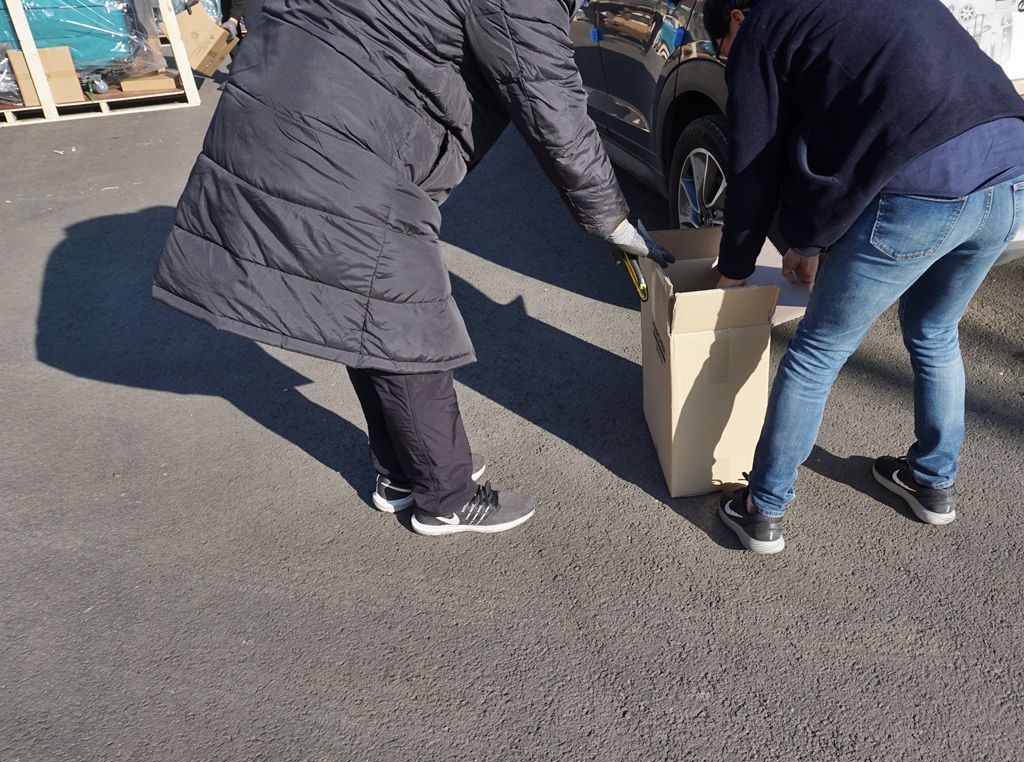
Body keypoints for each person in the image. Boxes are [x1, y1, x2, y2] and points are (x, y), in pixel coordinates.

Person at [151, 0, 673, 536]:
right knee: (407, 320)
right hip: (337, 136)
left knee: (367, 307)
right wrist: (612, 219)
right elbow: (551, 102)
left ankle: (402, 473)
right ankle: (446, 498)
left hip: (282, 97)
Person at [705, 0, 1024, 553]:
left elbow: (755, 168)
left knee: (817, 352)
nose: (727, 60)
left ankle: (763, 508)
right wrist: (809, 243)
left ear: (735, 17)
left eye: (721, 50)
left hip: (923, 187)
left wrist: (732, 274)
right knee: (935, 329)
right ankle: (932, 481)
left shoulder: (761, 26)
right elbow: (855, 122)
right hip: (1012, 171)